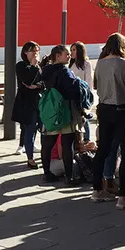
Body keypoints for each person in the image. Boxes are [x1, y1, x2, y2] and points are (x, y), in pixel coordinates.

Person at [91, 33, 125, 208]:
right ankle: (124, 195)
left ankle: (97, 189)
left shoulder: (100, 64)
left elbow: (96, 86)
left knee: (103, 148)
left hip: (104, 108)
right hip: (122, 108)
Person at [40, 45, 83, 185]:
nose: (69, 56)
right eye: (67, 54)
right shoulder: (65, 71)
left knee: (47, 143)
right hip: (65, 109)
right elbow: (71, 90)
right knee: (67, 144)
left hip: (50, 109)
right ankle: (69, 177)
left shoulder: (46, 70)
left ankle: (47, 173)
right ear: (58, 56)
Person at [12, 41, 43, 169]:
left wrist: (37, 85)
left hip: (39, 101)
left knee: (42, 129)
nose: (35, 53)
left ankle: (44, 154)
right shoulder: (21, 65)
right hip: (26, 102)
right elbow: (27, 80)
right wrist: (33, 66)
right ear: (25, 52)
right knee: (29, 129)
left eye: (37, 50)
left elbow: (45, 81)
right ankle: (30, 158)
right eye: (32, 51)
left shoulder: (40, 66)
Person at [69, 42, 94, 141]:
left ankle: (86, 139)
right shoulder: (71, 64)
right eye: (71, 50)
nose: (72, 52)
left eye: (74, 50)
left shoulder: (86, 64)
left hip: (82, 94)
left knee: (84, 118)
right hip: (71, 95)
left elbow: (89, 81)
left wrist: (87, 95)